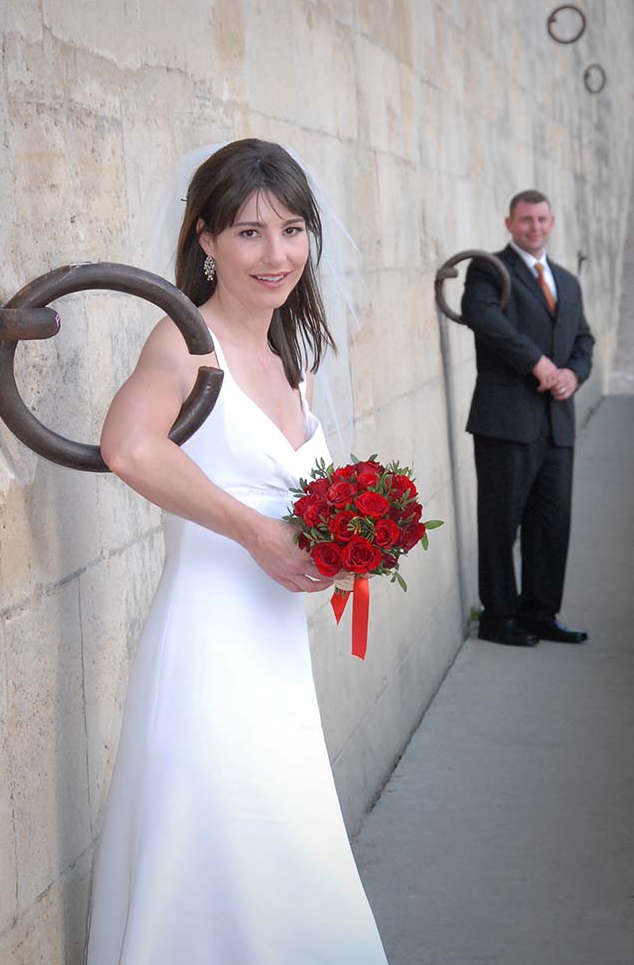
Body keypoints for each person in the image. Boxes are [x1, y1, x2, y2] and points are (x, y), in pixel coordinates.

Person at [85, 139, 389, 963]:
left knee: (284, 851)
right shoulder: (185, 344)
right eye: (250, 233)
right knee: (218, 854)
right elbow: (129, 448)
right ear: (205, 239)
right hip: (207, 649)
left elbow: (294, 501)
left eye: (292, 230)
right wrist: (255, 533)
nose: (277, 254)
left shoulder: (294, 360)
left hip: (276, 656)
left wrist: (346, 542)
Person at [461, 189, 595, 648]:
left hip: (558, 422)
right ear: (509, 223)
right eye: (525, 220)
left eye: (541, 219)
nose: (534, 227)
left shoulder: (566, 281)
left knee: (551, 523)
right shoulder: (489, 269)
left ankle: (540, 614)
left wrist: (573, 376)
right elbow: (483, 318)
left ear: (552, 222)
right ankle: (499, 617)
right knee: (502, 522)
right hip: (506, 421)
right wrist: (539, 365)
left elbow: (584, 340)